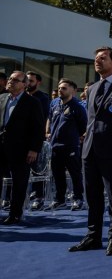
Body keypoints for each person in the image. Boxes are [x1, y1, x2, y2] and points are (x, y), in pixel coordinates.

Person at [69, 47, 112, 255]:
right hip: (89, 150)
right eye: (96, 59)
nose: (97, 61)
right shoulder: (92, 88)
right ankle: (93, 236)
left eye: (103, 58)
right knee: (92, 196)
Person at [0, 71, 45, 224]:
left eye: (15, 80)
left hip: (21, 149)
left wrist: (34, 149)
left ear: (24, 85)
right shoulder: (2, 98)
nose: (10, 81)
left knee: (19, 183)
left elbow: (38, 128)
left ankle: (15, 214)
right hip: (1, 147)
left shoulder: (32, 102)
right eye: (10, 79)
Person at [47, 78, 87, 211]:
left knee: (75, 174)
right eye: (59, 88)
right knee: (57, 174)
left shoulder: (78, 108)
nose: (60, 90)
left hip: (71, 147)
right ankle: (60, 200)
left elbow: (84, 127)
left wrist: (76, 138)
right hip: (55, 146)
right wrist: (48, 132)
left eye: (64, 88)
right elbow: (50, 119)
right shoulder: (55, 104)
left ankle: (78, 198)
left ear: (73, 91)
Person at [26, 71, 51, 210]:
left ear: (38, 82)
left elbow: (42, 120)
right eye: (27, 80)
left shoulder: (42, 98)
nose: (28, 83)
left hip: (35, 140)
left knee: (37, 169)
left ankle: (38, 197)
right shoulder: (22, 96)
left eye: (31, 80)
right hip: (20, 140)